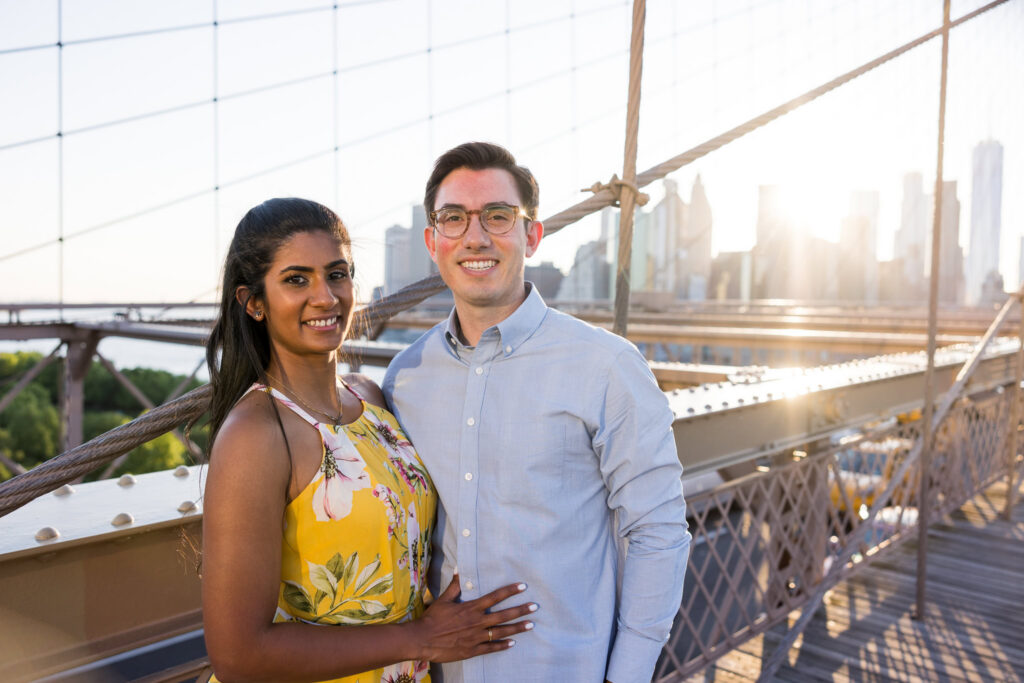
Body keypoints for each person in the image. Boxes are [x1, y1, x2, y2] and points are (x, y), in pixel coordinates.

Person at [382, 143, 691, 683]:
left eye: (498, 216)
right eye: (454, 219)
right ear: (433, 243)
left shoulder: (607, 366)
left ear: (532, 234)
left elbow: (658, 532)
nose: (475, 237)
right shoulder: (405, 378)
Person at [199, 197, 536, 683]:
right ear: (253, 302)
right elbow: (238, 657)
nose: (325, 297)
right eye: (297, 280)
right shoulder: (257, 434)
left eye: (337, 274)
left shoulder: (371, 400)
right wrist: (421, 638)